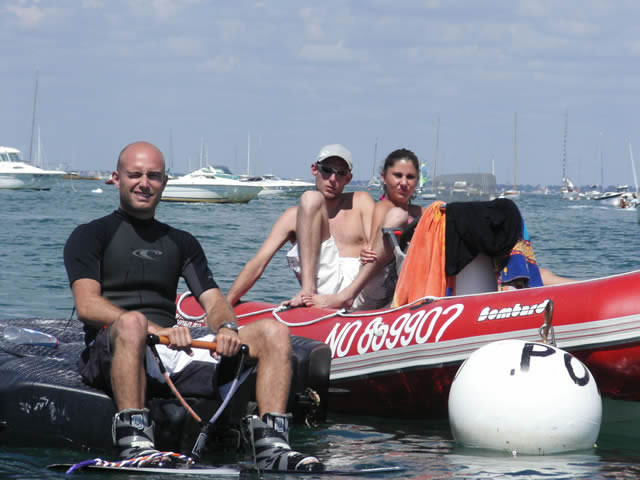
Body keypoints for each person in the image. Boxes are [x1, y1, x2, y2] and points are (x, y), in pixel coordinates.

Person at [63, 141, 322, 472]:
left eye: (153, 176)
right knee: (132, 323)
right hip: (115, 348)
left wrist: (226, 328)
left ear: (165, 181)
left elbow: (213, 300)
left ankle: (272, 447)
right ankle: (136, 443)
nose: (144, 183)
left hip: (167, 352)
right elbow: (87, 305)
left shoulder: (181, 242)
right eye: (135, 174)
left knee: (273, 332)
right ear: (117, 178)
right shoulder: (89, 235)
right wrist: (155, 330)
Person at [226, 144, 383, 310]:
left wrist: (370, 249)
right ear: (315, 169)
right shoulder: (292, 217)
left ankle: (321, 295)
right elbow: (258, 263)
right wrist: (225, 304)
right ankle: (307, 290)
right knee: (311, 199)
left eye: (341, 174)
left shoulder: (360, 201)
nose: (332, 179)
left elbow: (377, 247)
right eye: (327, 170)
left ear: (348, 179)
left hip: (360, 289)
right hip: (322, 291)